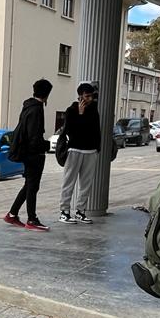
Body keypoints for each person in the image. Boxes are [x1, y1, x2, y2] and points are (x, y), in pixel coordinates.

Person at [4, 78, 53, 232]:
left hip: (27, 153)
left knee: (29, 186)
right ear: (47, 94)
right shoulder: (36, 109)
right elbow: (33, 136)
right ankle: (32, 219)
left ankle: (12, 214)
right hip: (34, 155)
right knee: (33, 186)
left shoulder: (28, 106)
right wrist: (45, 145)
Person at [57, 82, 101, 224]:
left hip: (91, 151)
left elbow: (96, 131)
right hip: (75, 149)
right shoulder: (71, 111)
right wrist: (81, 115)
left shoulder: (94, 111)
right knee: (69, 182)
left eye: (91, 96)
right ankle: (64, 212)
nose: (89, 99)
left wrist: (97, 149)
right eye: (87, 96)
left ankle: (80, 211)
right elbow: (72, 132)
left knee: (86, 183)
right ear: (80, 97)